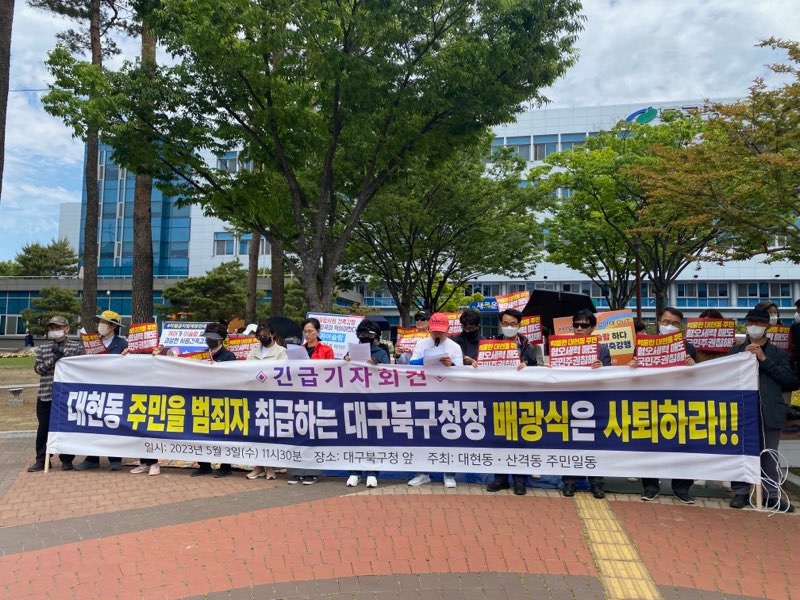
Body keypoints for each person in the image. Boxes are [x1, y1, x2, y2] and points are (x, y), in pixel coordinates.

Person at [729, 308, 799, 512]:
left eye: (758, 323)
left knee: (769, 454)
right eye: (751, 322)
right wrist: (740, 359)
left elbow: (790, 381)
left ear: (767, 325)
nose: (754, 326)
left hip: (769, 411)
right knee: (742, 452)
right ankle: (741, 492)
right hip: (742, 411)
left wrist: (764, 360)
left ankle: (772, 495)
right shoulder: (735, 352)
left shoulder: (779, 354)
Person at [630, 307, 698, 503]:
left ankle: (681, 488)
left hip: (679, 403)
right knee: (648, 445)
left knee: (682, 445)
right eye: (666, 322)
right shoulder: (644, 345)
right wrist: (633, 366)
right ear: (658, 323)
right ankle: (650, 487)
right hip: (650, 402)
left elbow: (696, 377)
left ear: (681, 327)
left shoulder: (688, 348)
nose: (669, 326)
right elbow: (635, 374)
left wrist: (693, 365)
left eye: (674, 323)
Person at [486, 309, 542, 496]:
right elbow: (483, 366)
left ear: (519, 325)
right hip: (498, 398)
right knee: (499, 439)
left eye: (512, 324)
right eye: (505, 323)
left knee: (521, 440)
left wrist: (529, 367)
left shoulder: (528, 346)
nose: (508, 327)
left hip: (521, 398)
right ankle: (500, 479)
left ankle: (520, 479)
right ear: (500, 324)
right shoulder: (491, 344)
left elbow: (537, 370)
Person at [407, 312, 463, 489]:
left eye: (441, 331)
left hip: (447, 395)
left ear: (448, 330)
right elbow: (411, 365)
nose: (437, 334)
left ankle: (449, 473)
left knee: (448, 434)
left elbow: (462, 372)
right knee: (422, 435)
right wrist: (426, 358)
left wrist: (450, 365)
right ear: (430, 329)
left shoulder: (454, 347)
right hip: (424, 394)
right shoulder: (421, 343)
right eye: (434, 331)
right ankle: (422, 473)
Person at [560, 309, 610, 499]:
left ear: (593, 327)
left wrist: (602, 369)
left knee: (594, 444)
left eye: (584, 325)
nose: (579, 328)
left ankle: (596, 483)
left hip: (594, 403)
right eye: (576, 325)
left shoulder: (602, 350)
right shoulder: (563, 347)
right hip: (569, 401)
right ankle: (569, 481)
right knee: (570, 442)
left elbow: (612, 377)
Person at [27, 316, 86, 473]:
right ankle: (41, 460)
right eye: (52, 328)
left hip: (67, 396)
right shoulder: (43, 348)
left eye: (58, 328)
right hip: (46, 394)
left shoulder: (76, 347)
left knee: (67, 427)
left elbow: (82, 368)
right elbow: (38, 369)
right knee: (44, 428)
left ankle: (67, 459)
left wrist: (65, 358)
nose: (54, 331)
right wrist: (52, 360)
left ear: (66, 329)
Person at [76, 311, 129, 472]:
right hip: (95, 389)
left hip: (114, 389)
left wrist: (126, 356)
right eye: (100, 322)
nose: (101, 326)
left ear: (113, 326)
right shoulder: (93, 342)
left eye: (104, 323)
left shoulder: (122, 344)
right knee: (94, 423)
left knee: (114, 423)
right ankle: (92, 458)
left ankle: (115, 459)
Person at [286, 318, 333, 484]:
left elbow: (329, 371)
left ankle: (312, 472)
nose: (308, 335)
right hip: (299, 395)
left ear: (318, 331)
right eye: (305, 332)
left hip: (318, 395)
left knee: (314, 434)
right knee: (298, 432)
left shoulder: (326, 350)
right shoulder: (297, 350)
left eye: (311, 331)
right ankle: (296, 471)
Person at [345, 320, 390, 488]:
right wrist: (346, 361)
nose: (365, 337)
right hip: (355, 399)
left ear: (376, 337)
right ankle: (354, 472)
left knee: (373, 439)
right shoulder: (351, 352)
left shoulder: (381, 353)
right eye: (362, 334)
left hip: (374, 400)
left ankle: (372, 472)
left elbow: (389, 374)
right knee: (355, 438)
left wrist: (377, 365)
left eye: (368, 335)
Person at [192, 322, 238, 478]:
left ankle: (226, 465)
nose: (209, 340)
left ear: (221, 339)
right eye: (207, 337)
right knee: (201, 432)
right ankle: (204, 465)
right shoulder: (201, 356)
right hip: (203, 399)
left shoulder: (229, 356)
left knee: (223, 434)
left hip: (222, 400)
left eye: (212, 338)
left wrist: (217, 368)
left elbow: (233, 378)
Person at [245, 320, 288, 480]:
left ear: (272, 334)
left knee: (270, 432)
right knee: (256, 432)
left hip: (273, 396)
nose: (262, 337)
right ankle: (258, 466)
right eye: (259, 335)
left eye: (265, 334)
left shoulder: (281, 352)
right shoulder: (253, 352)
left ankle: (270, 466)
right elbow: (246, 370)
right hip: (255, 396)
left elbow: (282, 372)